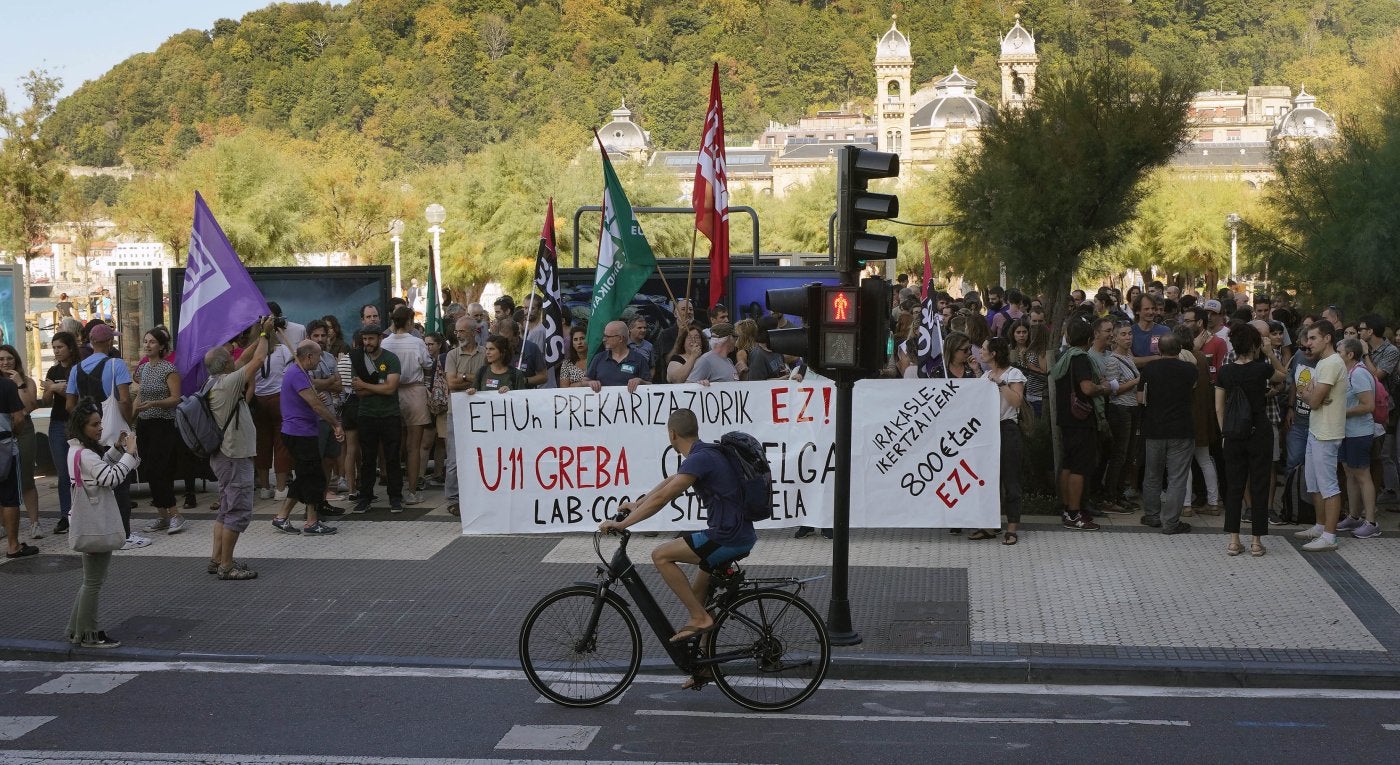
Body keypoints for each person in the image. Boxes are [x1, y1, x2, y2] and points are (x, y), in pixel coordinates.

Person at [598, 408, 756, 686]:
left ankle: (699, 617)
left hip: (726, 537)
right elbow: (669, 483)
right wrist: (637, 504)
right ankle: (706, 666)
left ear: (672, 434)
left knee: (661, 555)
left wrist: (623, 524)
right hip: (735, 533)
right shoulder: (704, 453)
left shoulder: (701, 458)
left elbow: (664, 498)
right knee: (699, 592)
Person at [65, 402, 141, 647]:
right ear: (82, 427)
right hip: (96, 525)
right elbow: (111, 478)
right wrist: (129, 453)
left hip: (88, 522)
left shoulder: (76, 451)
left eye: (100, 423)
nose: (100, 428)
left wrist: (116, 449)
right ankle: (90, 633)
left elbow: (98, 471)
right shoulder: (86, 455)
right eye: (94, 424)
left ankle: (76, 630)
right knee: (93, 583)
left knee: (90, 581)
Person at [205, 316, 275, 580]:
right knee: (237, 511)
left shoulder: (213, 382)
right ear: (226, 364)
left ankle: (217, 559)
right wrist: (265, 336)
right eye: (229, 356)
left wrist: (260, 333)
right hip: (234, 456)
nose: (234, 355)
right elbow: (257, 361)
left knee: (225, 508)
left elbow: (245, 358)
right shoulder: (228, 384)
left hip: (223, 455)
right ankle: (227, 565)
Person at [65, 323, 142, 550]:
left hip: (89, 435)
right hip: (113, 432)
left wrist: (86, 423)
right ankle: (124, 534)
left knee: (96, 487)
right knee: (121, 486)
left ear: (90, 342)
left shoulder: (76, 369)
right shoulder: (116, 364)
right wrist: (129, 422)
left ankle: (103, 530)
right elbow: (124, 399)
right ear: (109, 342)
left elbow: (70, 404)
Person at [1216, 323, 1285, 556]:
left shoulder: (1225, 372)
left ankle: (1234, 541)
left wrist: (1224, 432)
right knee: (1260, 484)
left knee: (1234, 485)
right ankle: (1256, 541)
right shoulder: (1261, 369)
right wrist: (1269, 354)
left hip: (1233, 433)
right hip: (1259, 431)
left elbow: (1219, 407)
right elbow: (1283, 375)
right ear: (1255, 345)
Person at [271, 341, 346, 535]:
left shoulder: (302, 373)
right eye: (319, 356)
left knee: (306, 476)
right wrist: (335, 423)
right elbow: (316, 405)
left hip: (303, 431)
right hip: (299, 432)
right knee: (313, 476)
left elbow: (308, 400)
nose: (321, 360)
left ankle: (282, 517)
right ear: (309, 356)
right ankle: (311, 521)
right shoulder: (296, 373)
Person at [1136, 333, 1198, 534]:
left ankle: (1152, 516)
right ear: (1180, 349)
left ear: (1159, 349)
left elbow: (1140, 398)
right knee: (1177, 477)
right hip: (1181, 428)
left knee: (1152, 475)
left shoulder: (1150, 368)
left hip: (1154, 428)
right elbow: (1194, 387)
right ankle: (1171, 522)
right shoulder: (1190, 369)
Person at [1295, 321, 1347, 552]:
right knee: (1314, 482)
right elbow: (1306, 393)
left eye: (1313, 338)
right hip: (1316, 429)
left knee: (1328, 485)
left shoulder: (1332, 363)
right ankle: (1320, 526)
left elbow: (1313, 399)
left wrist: (1310, 396)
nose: (1308, 343)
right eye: (1308, 338)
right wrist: (1310, 395)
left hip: (1327, 432)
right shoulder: (1323, 363)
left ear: (1327, 338)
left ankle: (1330, 536)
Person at [132, 329, 187, 536]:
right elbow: (140, 396)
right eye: (146, 341)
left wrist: (154, 403)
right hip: (144, 424)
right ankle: (162, 515)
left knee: (161, 470)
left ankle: (175, 514)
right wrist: (131, 419)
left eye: (152, 342)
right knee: (149, 470)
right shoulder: (143, 369)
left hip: (163, 424)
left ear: (162, 346)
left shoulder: (169, 369)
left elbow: (176, 398)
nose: (147, 345)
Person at [1051, 318, 1102, 531]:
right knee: (1079, 468)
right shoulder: (1080, 358)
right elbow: (1087, 388)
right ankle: (1074, 513)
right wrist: (1104, 387)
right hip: (1081, 418)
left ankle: (1066, 508)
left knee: (1068, 465)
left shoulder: (1064, 356)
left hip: (1066, 418)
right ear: (1090, 339)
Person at [350, 324, 405, 515]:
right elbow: (358, 391)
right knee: (367, 459)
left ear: (380, 338)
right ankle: (365, 497)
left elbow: (391, 389)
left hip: (390, 414)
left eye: (371, 339)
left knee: (392, 458)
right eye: (365, 339)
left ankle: (395, 497)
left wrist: (367, 385)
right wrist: (379, 386)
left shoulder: (391, 358)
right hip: (366, 415)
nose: (367, 343)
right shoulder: (358, 360)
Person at [381, 305, 432, 504]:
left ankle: (394, 491)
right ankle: (411, 491)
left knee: (394, 445)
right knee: (414, 446)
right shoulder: (417, 342)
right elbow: (427, 364)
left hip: (390, 393)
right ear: (409, 321)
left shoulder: (385, 342)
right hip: (415, 392)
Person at [979, 337, 1025, 545]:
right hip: (988, 431)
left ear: (994, 353)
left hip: (1007, 428)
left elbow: (1016, 401)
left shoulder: (1013, 374)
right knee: (989, 480)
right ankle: (990, 525)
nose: (981, 351)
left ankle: (1012, 528)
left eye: (984, 348)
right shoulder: (985, 375)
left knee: (1011, 479)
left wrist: (1000, 383)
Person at [1335, 337, 1381, 539]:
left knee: (1362, 474)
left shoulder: (1359, 373)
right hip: (1347, 432)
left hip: (1359, 433)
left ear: (1350, 354)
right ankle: (1353, 516)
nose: (1336, 355)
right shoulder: (1347, 372)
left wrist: (1340, 412)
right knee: (1350, 472)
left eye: (1339, 352)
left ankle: (1371, 522)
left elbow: (1368, 405)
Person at [443, 316, 486, 517]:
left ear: (473, 332)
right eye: (457, 331)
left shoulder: (485, 353)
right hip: (456, 412)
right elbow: (451, 383)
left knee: (481, 455)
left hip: (480, 412)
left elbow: (486, 381)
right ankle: (453, 499)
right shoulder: (452, 355)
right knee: (454, 458)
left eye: (462, 331)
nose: (458, 335)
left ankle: (478, 495)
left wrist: (463, 378)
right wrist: (473, 379)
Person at [43, 331, 79, 534]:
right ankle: (66, 515)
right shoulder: (52, 370)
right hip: (57, 423)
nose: (56, 351)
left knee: (79, 469)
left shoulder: (78, 368)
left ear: (70, 348)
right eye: (54, 347)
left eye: (60, 347)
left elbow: (76, 397)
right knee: (63, 473)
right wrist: (53, 388)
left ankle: (81, 512)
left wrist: (55, 388)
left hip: (76, 424)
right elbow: (46, 400)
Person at [585, 320, 650, 392]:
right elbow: (585, 380)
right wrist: (589, 383)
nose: (604, 339)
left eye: (607, 336)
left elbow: (650, 385)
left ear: (620, 338)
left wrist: (641, 381)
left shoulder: (639, 359)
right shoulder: (598, 358)